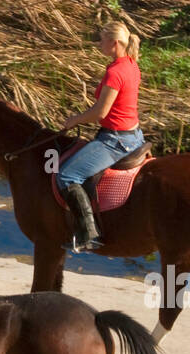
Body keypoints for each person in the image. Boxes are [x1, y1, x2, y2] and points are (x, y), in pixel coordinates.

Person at [55, 21, 145, 251]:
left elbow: (100, 112)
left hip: (116, 140)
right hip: (134, 135)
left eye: (103, 40)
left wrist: (74, 120)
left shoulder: (116, 72)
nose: (99, 44)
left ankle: (88, 235)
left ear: (115, 43)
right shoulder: (131, 64)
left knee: (66, 175)